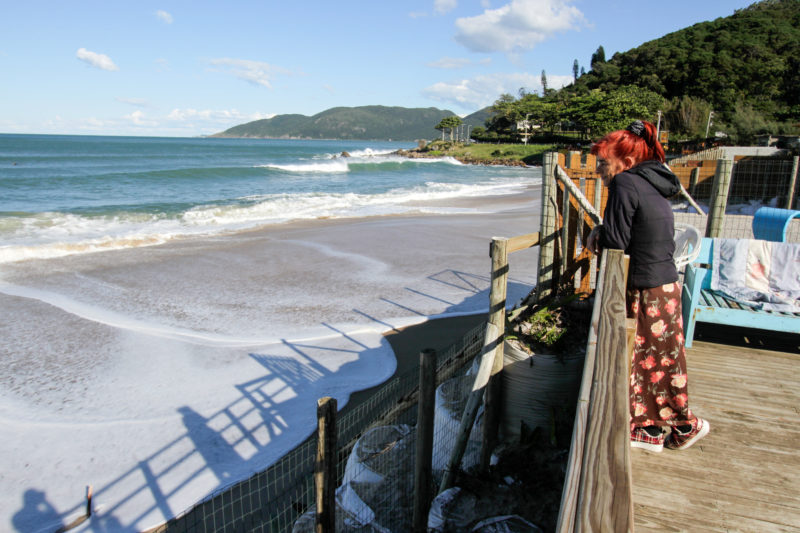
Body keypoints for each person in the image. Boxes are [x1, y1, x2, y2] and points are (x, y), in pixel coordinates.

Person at [586, 119, 709, 452]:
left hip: (647, 287)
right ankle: (648, 429)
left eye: (602, 162)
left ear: (624, 163)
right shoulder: (650, 182)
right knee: (653, 358)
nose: (598, 169)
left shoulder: (625, 183)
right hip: (663, 284)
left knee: (654, 360)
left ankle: (687, 424)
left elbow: (616, 240)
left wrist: (596, 234)